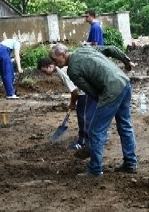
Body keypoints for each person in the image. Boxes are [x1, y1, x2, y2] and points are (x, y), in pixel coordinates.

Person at [49, 44, 137, 178]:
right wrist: (127, 61)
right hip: (124, 83)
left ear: (63, 55)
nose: (55, 64)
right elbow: (111, 49)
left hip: (111, 91)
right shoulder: (85, 49)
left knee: (95, 131)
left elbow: (91, 92)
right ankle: (130, 163)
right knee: (125, 125)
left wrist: (102, 105)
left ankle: (95, 169)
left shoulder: (72, 70)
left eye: (55, 60)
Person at [37, 56, 97, 150]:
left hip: (85, 92)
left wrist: (72, 103)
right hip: (89, 89)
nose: (45, 74)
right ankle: (98, 137)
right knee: (90, 116)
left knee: (83, 117)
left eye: (45, 71)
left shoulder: (61, 71)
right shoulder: (63, 67)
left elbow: (74, 91)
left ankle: (83, 142)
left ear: (50, 66)